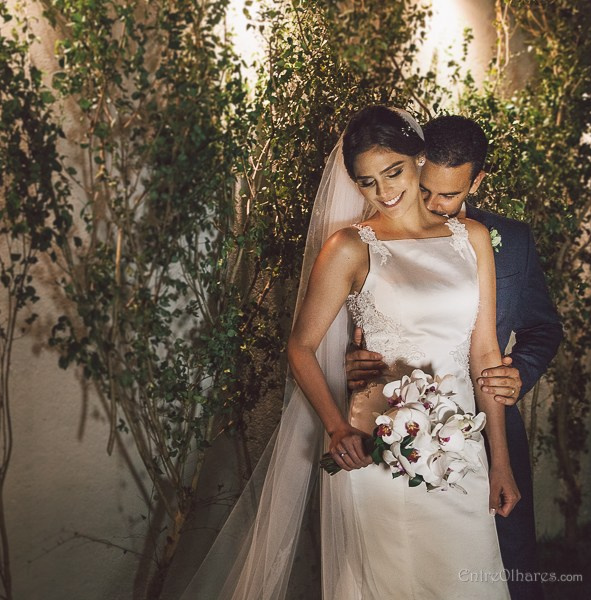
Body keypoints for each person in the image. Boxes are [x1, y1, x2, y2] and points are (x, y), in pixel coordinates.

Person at [180, 106, 517, 599]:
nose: (384, 192)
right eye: (366, 182)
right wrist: (337, 426)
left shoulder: (473, 239)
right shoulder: (350, 247)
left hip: (461, 448)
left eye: (393, 172)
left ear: (419, 158)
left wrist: (500, 460)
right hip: (382, 448)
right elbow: (300, 347)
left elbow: (485, 352)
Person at [345, 115, 562, 600]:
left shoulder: (508, 242)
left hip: (491, 425)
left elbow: (543, 327)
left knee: (505, 571)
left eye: (449, 195)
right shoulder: (370, 241)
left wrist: (517, 374)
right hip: (399, 428)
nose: (433, 205)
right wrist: (351, 360)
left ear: (476, 182)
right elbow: (357, 322)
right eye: (425, 189)